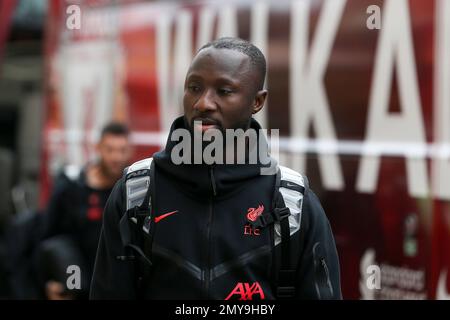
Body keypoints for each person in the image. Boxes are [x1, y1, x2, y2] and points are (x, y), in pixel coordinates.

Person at [90, 37, 341, 300]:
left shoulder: (293, 202)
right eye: (194, 87)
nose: (202, 103)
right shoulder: (136, 192)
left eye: (224, 91)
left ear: (257, 102)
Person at [36, 122, 132, 299]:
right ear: (98, 149)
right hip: (76, 285)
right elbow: (47, 238)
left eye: (122, 150)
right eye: (110, 149)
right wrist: (49, 282)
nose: (116, 157)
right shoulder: (70, 188)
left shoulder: (131, 191)